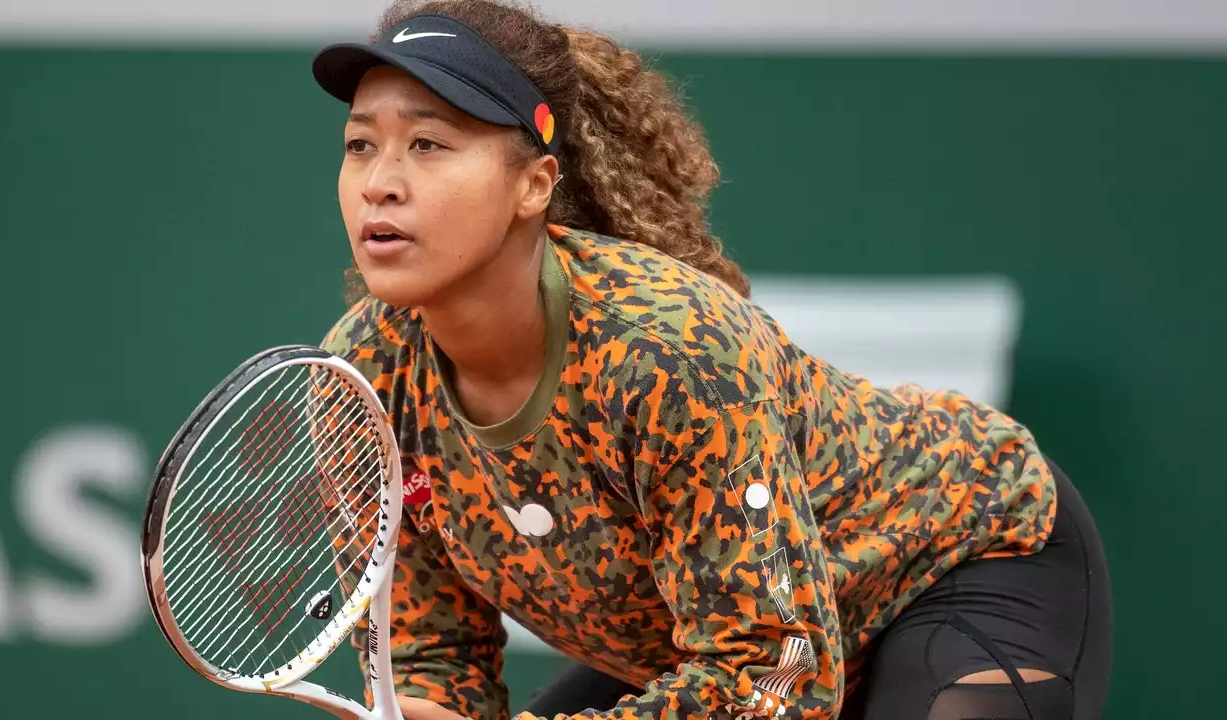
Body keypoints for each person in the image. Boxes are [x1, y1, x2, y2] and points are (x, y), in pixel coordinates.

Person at [311, 1, 1112, 718]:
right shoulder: (359, 383)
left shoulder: (669, 352)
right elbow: (434, 653)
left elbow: (774, 677)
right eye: (359, 145)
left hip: (956, 560)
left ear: (534, 185)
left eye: (427, 143)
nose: (380, 182)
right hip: (712, 646)